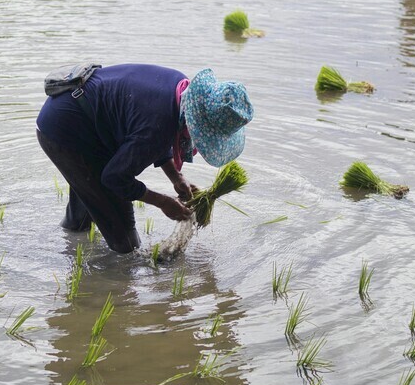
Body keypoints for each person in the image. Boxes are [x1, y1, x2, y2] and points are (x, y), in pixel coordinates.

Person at [36, 65, 254, 254]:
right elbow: (115, 178)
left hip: (77, 116)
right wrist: (162, 202)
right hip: (65, 132)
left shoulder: (179, 89)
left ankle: (70, 247)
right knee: (126, 242)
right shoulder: (159, 125)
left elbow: (150, 129)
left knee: (86, 213)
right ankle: (105, 282)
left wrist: (176, 177)